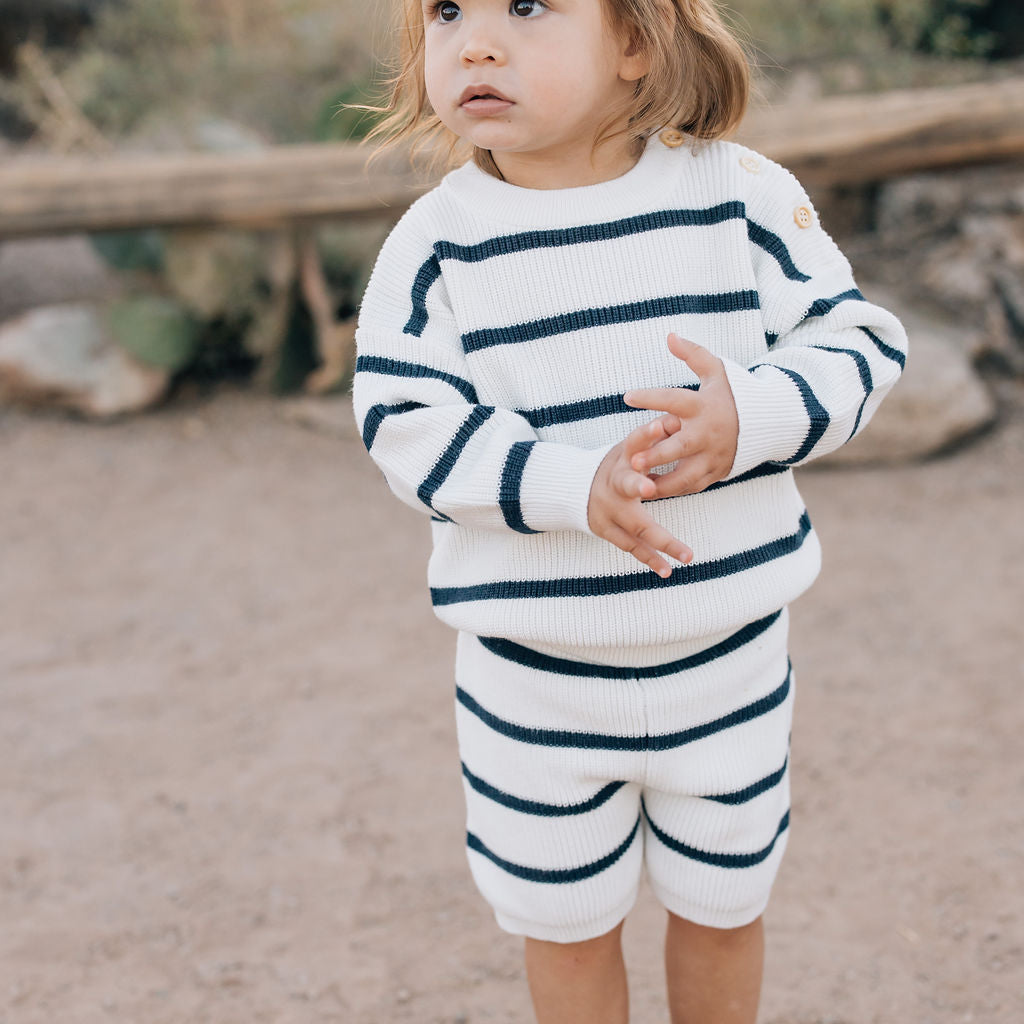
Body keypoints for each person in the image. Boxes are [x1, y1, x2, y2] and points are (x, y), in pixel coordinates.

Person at [351, 0, 908, 1020]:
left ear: (636, 40)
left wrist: (754, 413)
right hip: (533, 689)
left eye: (526, 7)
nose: (474, 41)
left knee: (724, 904)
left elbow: (860, 345)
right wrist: (568, 485)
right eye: (444, 11)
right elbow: (401, 423)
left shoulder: (735, 196)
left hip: (727, 663)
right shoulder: (436, 245)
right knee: (561, 927)